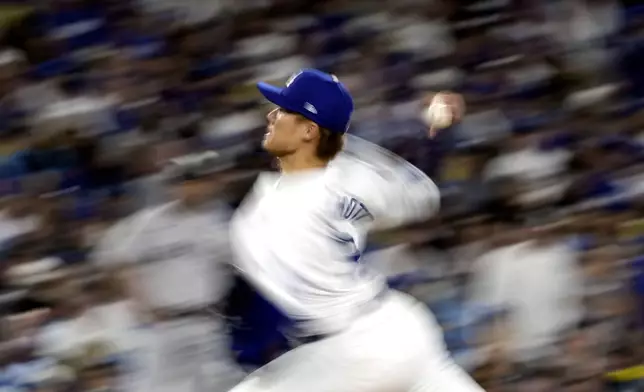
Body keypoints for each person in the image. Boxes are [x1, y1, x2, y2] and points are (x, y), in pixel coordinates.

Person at [229, 69, 483, 392]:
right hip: (400, 326)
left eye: (283, 111)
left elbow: (259, 316)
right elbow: (420, 193)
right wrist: (431, 129)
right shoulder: (353, 175)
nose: (271, 115)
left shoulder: (271, 208)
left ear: (308, 130)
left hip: (349, 353)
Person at [92, 150, 245, 392]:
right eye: (185, 181)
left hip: (208, 319)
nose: (192, 187)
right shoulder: (148, 223)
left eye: (199, 180)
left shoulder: (221, 219)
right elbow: (113, 259)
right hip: (163, 324)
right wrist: (137, 301)